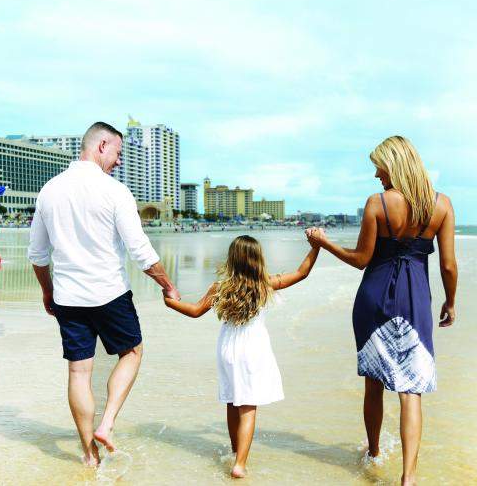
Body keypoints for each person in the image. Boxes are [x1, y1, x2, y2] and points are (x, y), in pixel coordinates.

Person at [306, 135, 457, 486]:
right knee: (411, 389)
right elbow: (448, 266)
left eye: (379, 166)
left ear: (395, 165)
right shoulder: (442, 205)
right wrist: (451, 301)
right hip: (416, 300)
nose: (376, 174)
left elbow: (361, 260)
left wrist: (325, 242)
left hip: (373, 298)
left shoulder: (377, 204)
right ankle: (408, 477)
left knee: (374, 383)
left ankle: (373, 453)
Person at [28, 121, 180, 467]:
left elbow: (37, 255)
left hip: (68, 297)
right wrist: (167, 285)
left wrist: (47, 293)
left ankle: (88, 454)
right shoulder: (115, 191)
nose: (119, 161)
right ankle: (107, 423)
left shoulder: (49, 190)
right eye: (118, 152)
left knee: (79, 373)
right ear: (102, 145)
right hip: (109, 293)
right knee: (133, 351)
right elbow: (140, 251)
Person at [163, 235, 321, 479]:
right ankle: (240, 463)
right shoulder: (264, 284)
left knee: (231, 401)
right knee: (248, 408)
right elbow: (302, 273)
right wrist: (316, 248)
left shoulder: (220, 287)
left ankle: (235, 450)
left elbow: (194, 311)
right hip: (252, 349)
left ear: (232, 259)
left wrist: (170, 302)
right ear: (258, 259)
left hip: (227, 350)